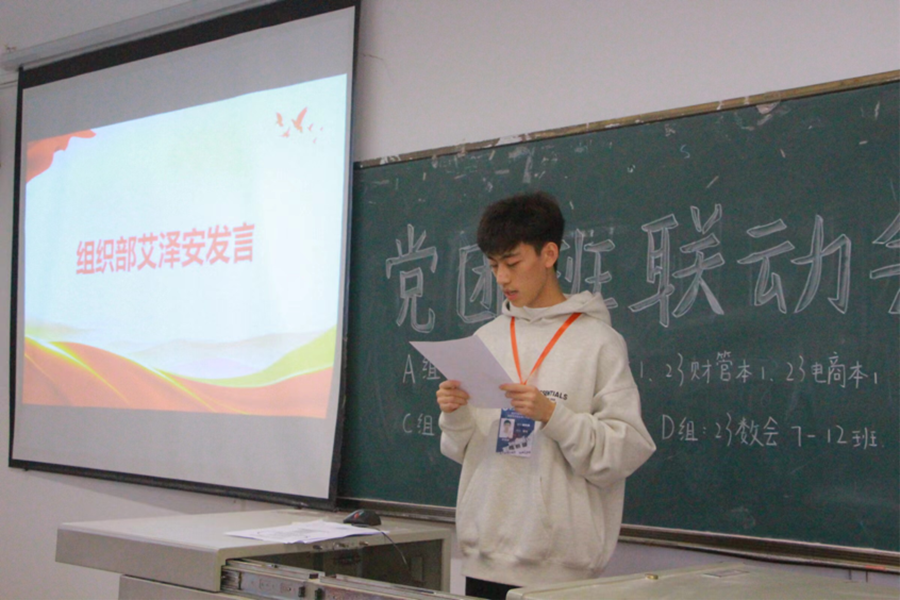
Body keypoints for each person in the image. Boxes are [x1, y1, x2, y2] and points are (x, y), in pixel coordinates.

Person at [436, 191, 656, 600]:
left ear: (549, 254)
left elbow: (626, 450)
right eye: (493, 266)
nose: (502, 278)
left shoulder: (598, 342)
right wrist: (455, 414)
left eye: (512, 263)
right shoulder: (486, 339)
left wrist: (555, 416)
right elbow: (462, 450)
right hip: (484, 559)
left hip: (561, 572)